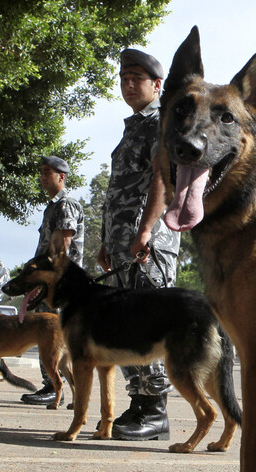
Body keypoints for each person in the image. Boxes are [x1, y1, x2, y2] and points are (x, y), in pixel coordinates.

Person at [97, 48, 180, 441]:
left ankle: (156, 408)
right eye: (124, 78)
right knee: (122, 325)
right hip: (121, 244)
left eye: (137, 78)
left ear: (157, 85)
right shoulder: (134, 125)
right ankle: (140, 402)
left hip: (148, 242)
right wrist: (105, 240)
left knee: (148, 324)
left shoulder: (161, 123)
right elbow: (117, 189)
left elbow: (161, 180)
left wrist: (146, 230)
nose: (129, 85)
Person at [21, 155, 86, 405]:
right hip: (48, 282)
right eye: (41, 172)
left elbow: (64, 246)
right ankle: (60, 386)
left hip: (59, 284)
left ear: (62, 176)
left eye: (48, 172)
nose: (43, 177)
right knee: (50, 335)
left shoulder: (66, 204)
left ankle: (55, 386)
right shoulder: (53, 206)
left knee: (55, 336)